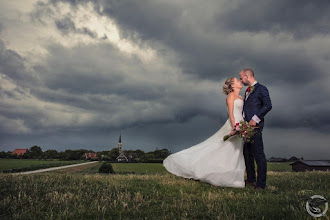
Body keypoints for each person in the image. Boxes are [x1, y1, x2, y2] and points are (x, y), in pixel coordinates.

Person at [163, 77, 246, 188]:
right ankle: (199, 167)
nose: (240, 81)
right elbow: (230, 113)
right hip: (234, 124)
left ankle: (232, 176)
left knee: (234, 150)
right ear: (232, 85)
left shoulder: (240, 97)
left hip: (241, 123)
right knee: (219, 146)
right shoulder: (231, 96)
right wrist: (234, 126)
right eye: (237, 80)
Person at [239, 69, 272, 190]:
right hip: (245, 128)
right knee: (247, 154)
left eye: (241, 78)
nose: (241, 80)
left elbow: (268, 105)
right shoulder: (247, 91)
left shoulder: (261, 88)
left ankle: (261, 184)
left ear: (247, 76)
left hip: (255, 127)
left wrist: (255, 118)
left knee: (258, 155)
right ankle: (251, 179)